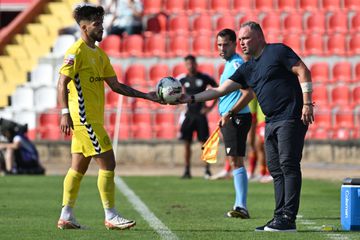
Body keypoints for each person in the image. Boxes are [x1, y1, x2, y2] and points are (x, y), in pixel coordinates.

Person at [177, 21, 314, 232]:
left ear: (259, 37)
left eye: (245, 38)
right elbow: (219, 90)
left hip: (290, 117)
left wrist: (306, 103)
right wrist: (189, 98)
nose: (241, 43)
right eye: (239, 39)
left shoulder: (277, 51)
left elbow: (303, 71)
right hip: (270, 121)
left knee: (288, 165)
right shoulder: (248, 67)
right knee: (276, 171)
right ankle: (279, 217)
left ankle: (288, 218)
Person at [56, 4, 158, 230]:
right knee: (108, 163)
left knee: (77, 168)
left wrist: (147, 96)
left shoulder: (100, 54)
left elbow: (116, 86)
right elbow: (62, 81)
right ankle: (110, 215)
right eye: (96, 24)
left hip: (92, 120)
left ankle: (66, 215)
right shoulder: (76, 51)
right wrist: (65, 113)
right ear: (84, 27)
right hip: (84, 120)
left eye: (102, 23)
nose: (101, 28)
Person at [213, 29, 253, 218]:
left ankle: (241, 206)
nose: (222, 48)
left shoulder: (237, 64)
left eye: (225, 44)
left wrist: (230, 113)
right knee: (235, 160)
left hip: (236, 118)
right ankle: (239, 204)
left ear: (234, 44)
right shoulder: (230, 64)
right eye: (219, 44)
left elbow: (249, 93)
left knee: (236, 161)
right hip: (231, 118)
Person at [178, 54, 218, 179]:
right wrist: (181, 106)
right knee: (186, 143)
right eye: (188, 64)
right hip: (189, 115)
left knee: (204, 143)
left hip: (201, 115)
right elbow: (175, 94)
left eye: (192, 63)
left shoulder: (204, 78)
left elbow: (218, 90)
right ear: (185, 65)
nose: (190, 66)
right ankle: (187, 170)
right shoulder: (183, 80)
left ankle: (207, 170)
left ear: (196, 64)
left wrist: (210, 108)